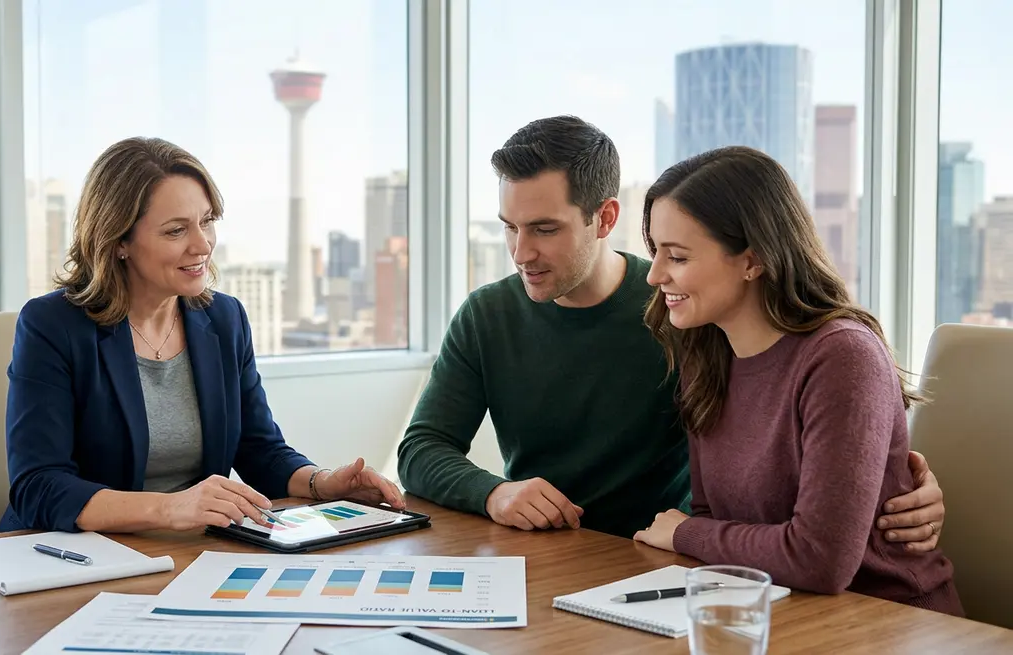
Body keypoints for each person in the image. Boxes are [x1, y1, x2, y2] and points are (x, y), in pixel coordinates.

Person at [397, 116, 946, 552]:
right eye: (510, 228)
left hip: (664, 556)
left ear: (605, 218)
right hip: (564, 553)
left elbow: (805, 419)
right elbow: (421, 449)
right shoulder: (487, 315)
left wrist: (895, 484)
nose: (521, 253)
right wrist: (493, 492)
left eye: (544, 229)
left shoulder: (690, 311)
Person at [0, 137, 404, 533]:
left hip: (191, 552)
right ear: (119, 240)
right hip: (72, 557)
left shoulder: (224, 318)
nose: (202, 245)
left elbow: (259, 449)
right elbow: (40, 486)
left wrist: (322, 483)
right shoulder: (52, 324)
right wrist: (171, 509)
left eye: (207, 221)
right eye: (176, 231)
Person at [630, 146, 962, 615]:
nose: (656, 275)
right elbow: (714, 517)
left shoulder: (842, 355)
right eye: (655, 252)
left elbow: (819, 559)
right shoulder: (707, 353)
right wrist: (695, 533)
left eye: (678, 257)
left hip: (884, 618)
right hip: (773, 610)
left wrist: (684, 533)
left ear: (753, 259)